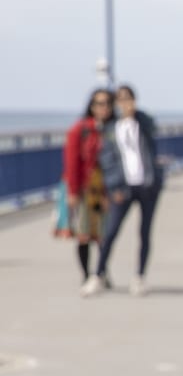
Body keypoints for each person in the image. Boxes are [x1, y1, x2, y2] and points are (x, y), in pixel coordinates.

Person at [82, 84, 164, 298]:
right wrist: (115, 186)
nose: (125, 103)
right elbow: (107, 160)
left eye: (128, 99)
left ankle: (139, 277)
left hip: (147, 185)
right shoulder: (111, 129)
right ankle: (98, 274)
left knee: (144, 232)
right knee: (110, 232)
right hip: (123, 188)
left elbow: (154, 126)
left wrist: (135, 113)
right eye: (121, 99)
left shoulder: (142, 123)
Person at [58, 88, 114, 286]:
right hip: (84, 189)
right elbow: (71, 162)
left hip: (105, 191)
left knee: (103, 235)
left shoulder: (113, 130)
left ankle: (101, 272)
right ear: (91, 106)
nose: (104, 107)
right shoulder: (80, 129)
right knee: (83, 234)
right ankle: (86, 274)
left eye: (107, 103)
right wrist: (72, 191)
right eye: (99, 103)